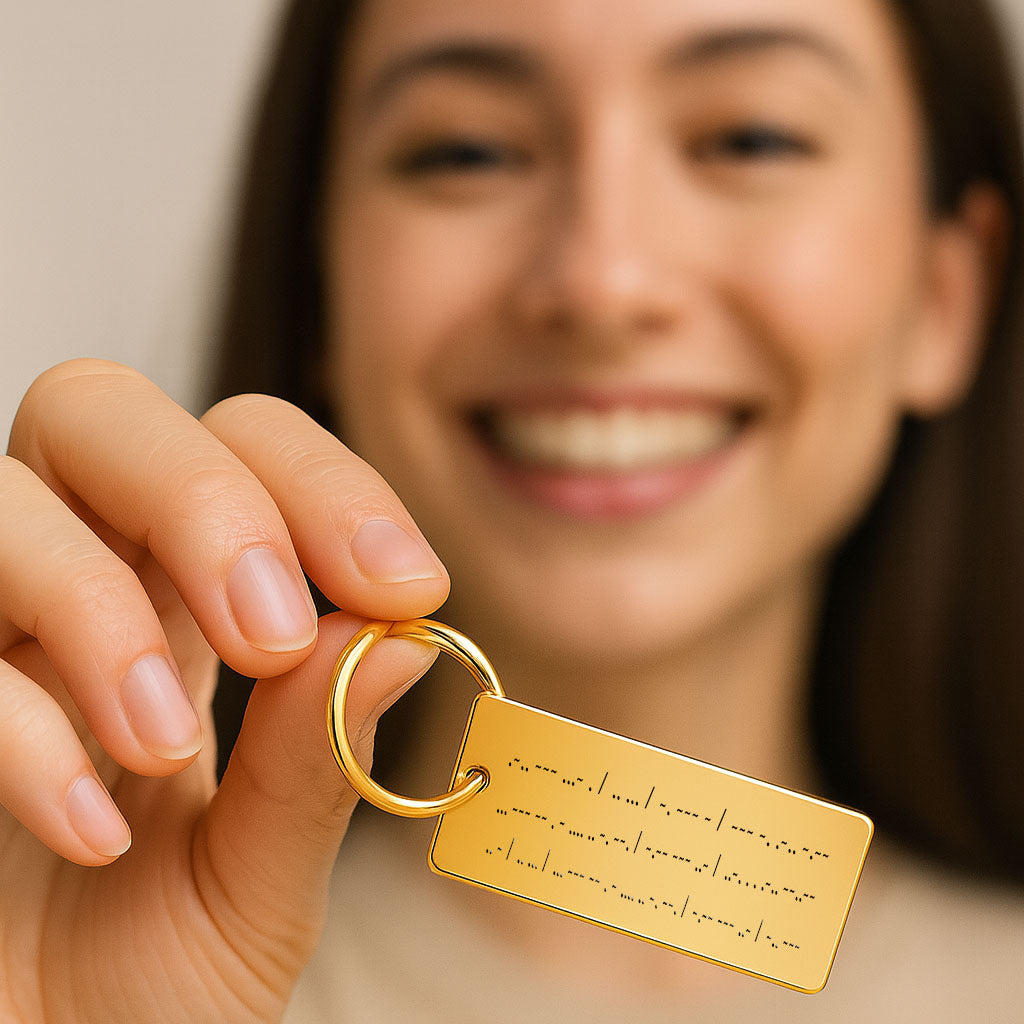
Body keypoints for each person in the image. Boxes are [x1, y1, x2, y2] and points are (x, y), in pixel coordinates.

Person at [2, 0, 1022, 1020]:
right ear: (322, 281)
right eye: (467, 152)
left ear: (946, 292)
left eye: (749, 138)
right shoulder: (89, 954)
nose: (600, 281)